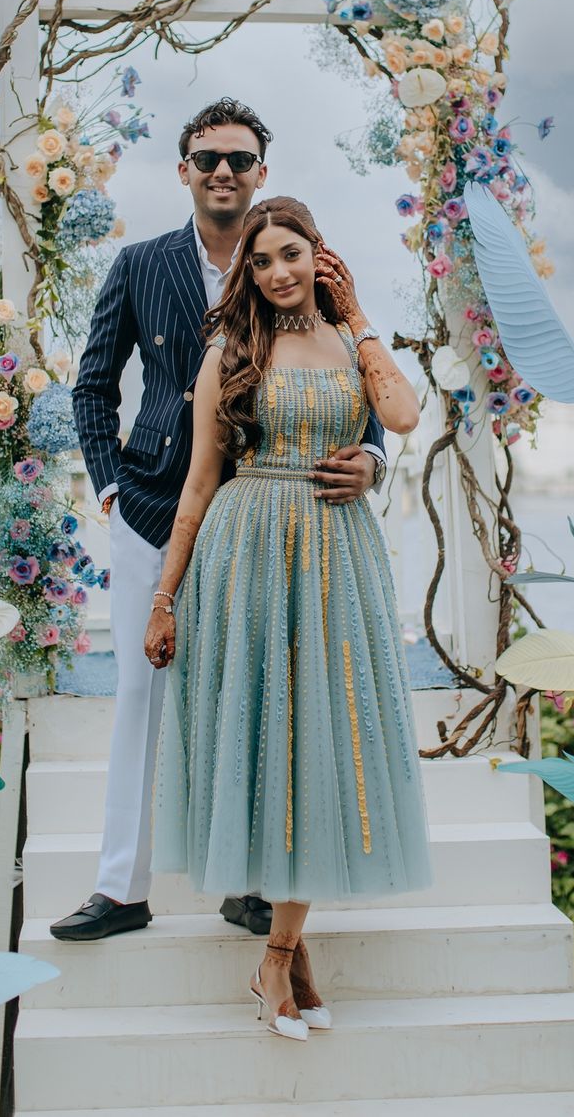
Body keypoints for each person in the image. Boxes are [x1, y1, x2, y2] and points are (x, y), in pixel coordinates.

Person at [52, 100, 388, 943]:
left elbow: (355, 369)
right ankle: (122, 888)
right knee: (141, 689)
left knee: (268, 693)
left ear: (261, 172)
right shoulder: (139, 265)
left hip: (281, 516)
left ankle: (251, 883)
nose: (223, 172)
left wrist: (374, 457)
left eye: (239, 158)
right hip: (161, 505)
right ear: (185, 172)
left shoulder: (297, 256)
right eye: (207, 159)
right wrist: (109, 490)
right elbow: (92, 387)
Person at [147, 197, 433, 1040]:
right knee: (272, 741)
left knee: (329, 742)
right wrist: (165, 598)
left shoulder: (352, 342)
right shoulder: (230, 351)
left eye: (292, 254)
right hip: (248, 555)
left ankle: (278, 951)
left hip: (340, 560)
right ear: (247, 271)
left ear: (320, 255)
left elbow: (406, 417)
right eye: (262, 260)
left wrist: (361, 318)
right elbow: (198, 485)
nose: (277, 272)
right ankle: (284, 949)